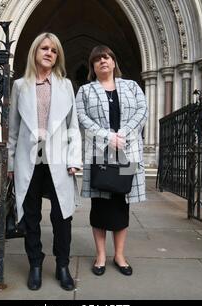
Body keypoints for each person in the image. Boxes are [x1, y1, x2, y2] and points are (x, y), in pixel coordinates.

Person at [7, 32, 82, 291]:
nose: (49, 53)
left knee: (63, 216)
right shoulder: (20, 86)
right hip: (28, 160)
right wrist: (10, 164)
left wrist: (74, 160)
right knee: (31, 216)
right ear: (35, 53)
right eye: (44, 48)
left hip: (58, 161)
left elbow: (74, 127)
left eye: (54, 50)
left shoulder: (65, 85)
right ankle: (35, 265)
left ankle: (62, 265)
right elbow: (14, 129)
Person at [76, 45, 147, 276]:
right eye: (97, 59)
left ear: (114, 62)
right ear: (92, 67)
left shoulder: (132, 86)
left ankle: (119, 254)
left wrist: (122, 134)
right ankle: (100, 256)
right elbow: (81, 117)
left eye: (106, 57)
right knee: (100, 206)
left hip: (127, 151)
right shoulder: (85, 91)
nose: (102, 61)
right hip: (100, 154)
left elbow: (142, 111)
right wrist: (108, 137)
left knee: (121, 204)